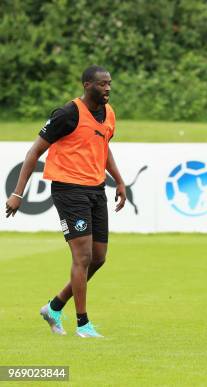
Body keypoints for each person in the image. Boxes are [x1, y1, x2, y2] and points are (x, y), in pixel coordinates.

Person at [5, 65, 126, 338]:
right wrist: (18, 193)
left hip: (95, 190)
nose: (107, 88)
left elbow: (104, 147)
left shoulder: (109, 113)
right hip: (69, 190)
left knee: (98, 258)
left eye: (109, 83)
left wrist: (118, 180)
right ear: (86, 85)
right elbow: (34, 151)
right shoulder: (67, 114)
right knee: (82, 257)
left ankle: (54, 306)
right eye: (101, 84)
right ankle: (83, 324)